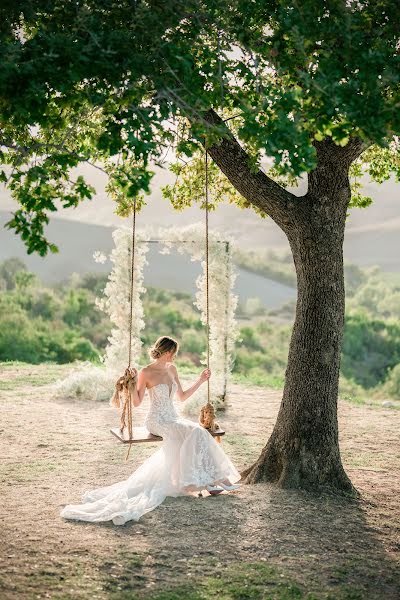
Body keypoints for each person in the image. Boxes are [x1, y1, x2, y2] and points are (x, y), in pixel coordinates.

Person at [60, 335, 241, 526]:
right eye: (174, 353)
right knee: (196, 432)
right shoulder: (146, 372)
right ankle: (215, 481)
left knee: (199, 432)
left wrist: (201, 381)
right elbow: (137, 403)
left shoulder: (172, 369)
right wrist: (130, 383)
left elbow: (181, 397)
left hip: (173, 417)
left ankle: (213, 481)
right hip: (157, 420)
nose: (175, 356)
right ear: (168, 351)